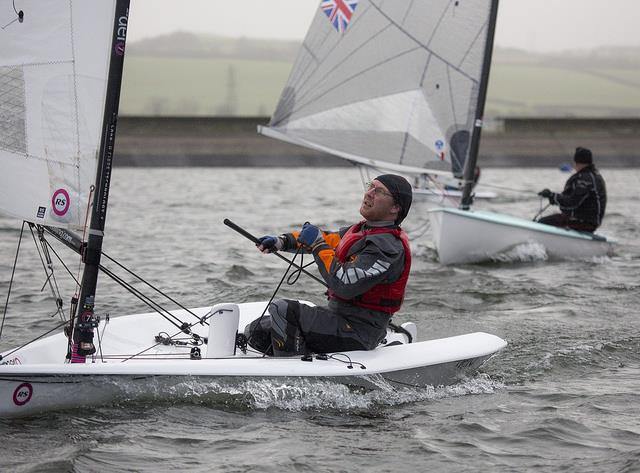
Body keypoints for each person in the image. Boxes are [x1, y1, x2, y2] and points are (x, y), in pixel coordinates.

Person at [246, 174, 413, 357]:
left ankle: (295, 373)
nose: (369, 194)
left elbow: (344, 284)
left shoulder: (387, 248)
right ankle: (309, 355)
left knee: (283, 310)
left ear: (395, 207)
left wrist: (318, 245)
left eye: (379, 191)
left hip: (360, 332)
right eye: (370, 186)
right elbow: (326, 238)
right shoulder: (362, 230)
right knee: (257, 330)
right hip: (339, 318)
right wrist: (281, 242)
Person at [537, 147, 607, 233]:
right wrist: (551, 197)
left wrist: (553, 196)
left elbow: (573, 202)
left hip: (584, 222)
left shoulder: (585, 179)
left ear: (577, 161)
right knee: (550, 220)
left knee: (542, 222)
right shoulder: (593, 176)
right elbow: (568, 198)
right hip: (585, 221)